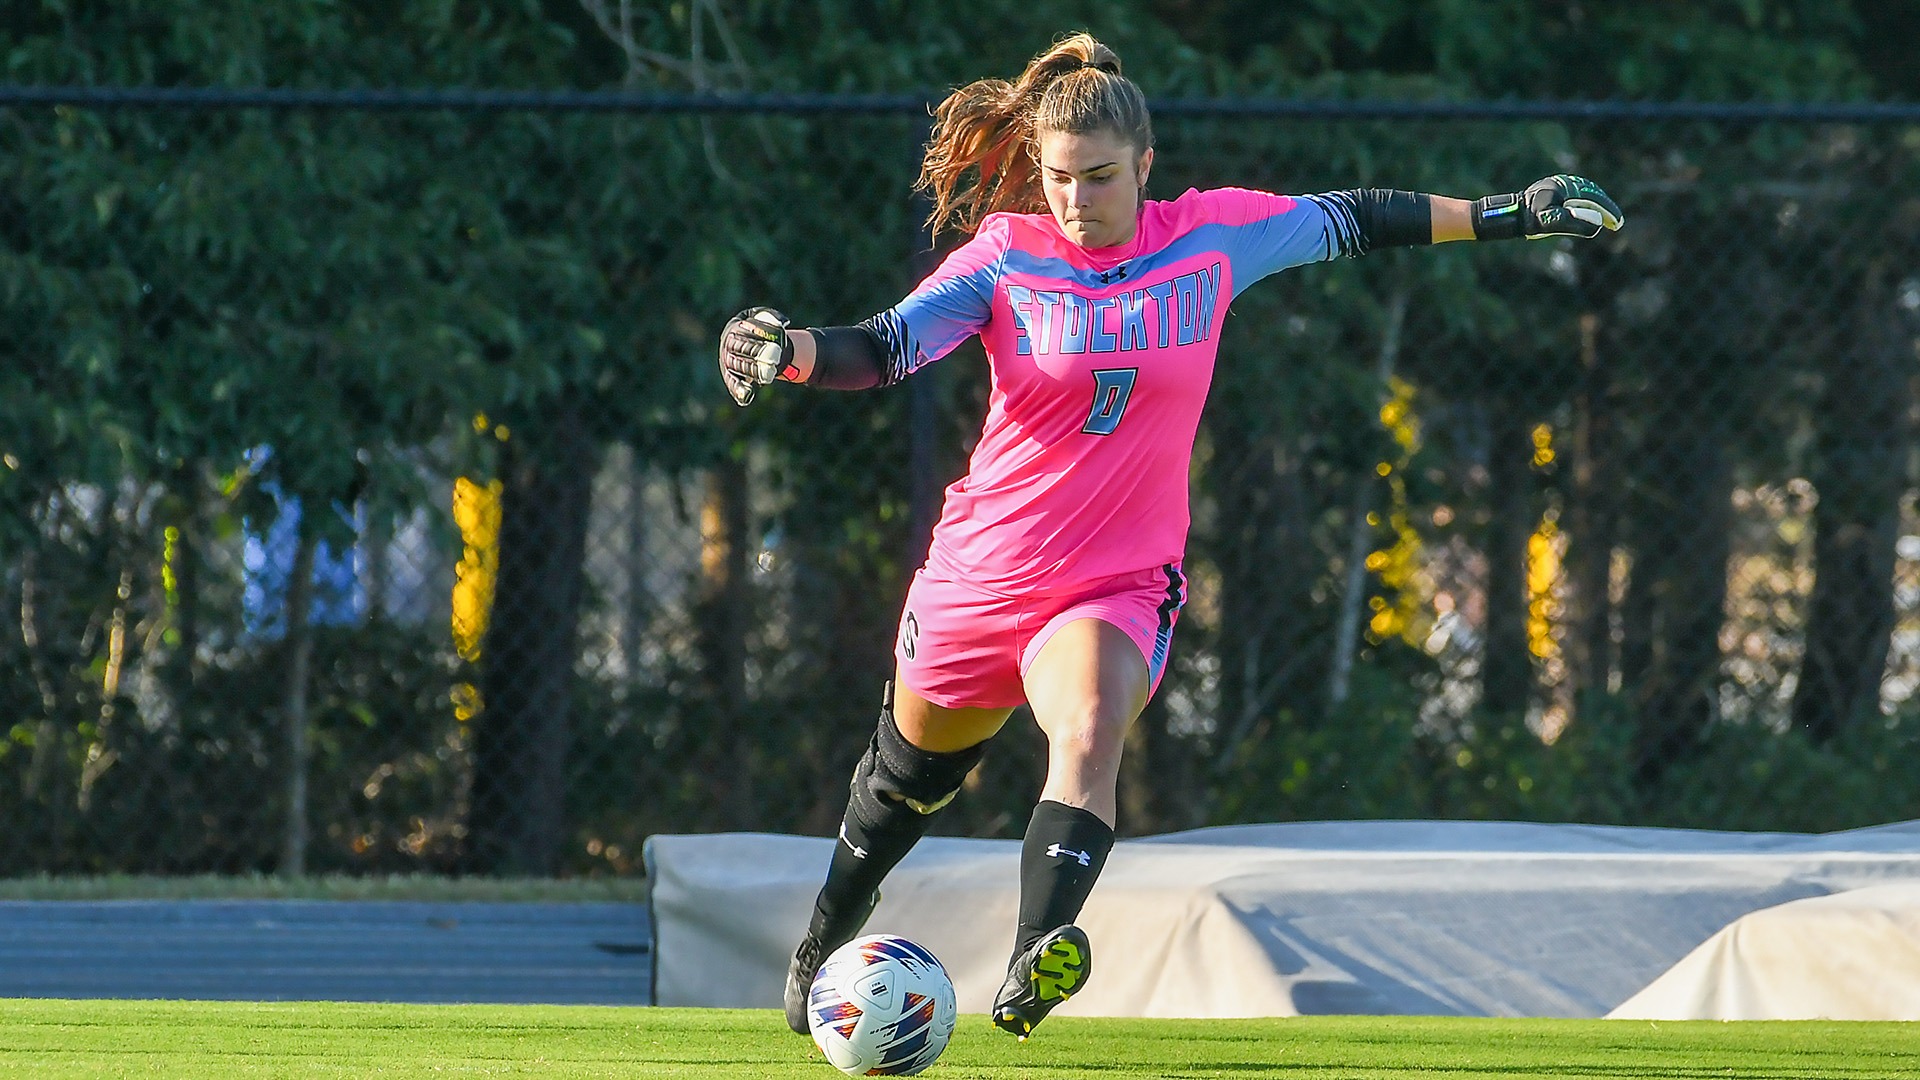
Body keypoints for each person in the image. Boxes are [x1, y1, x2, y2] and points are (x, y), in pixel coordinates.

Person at [718, 32, 1623, 1041]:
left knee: (1090, 729)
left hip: (1110, 580)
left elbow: (1362, 219)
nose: (1075, 199)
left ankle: (1034, 957)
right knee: (902, 786)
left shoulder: (1213, 238)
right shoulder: (1006, 259)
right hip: (980, 572)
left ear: (1146, 167)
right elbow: (884, 347)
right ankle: (820, 948)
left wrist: (1510, 215)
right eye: (1059, 178)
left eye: (1099, 178)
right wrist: (789, 353)